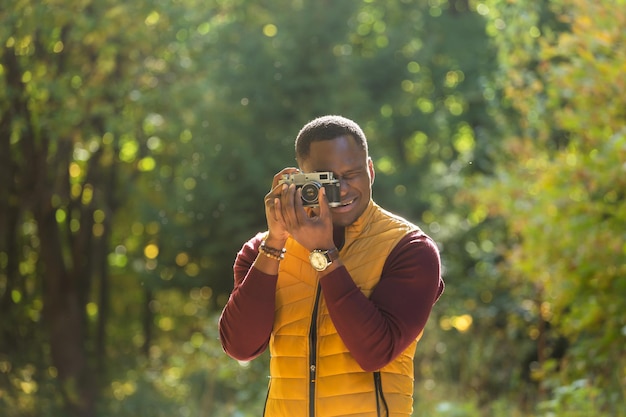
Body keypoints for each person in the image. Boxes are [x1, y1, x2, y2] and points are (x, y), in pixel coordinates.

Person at [219, 115, 444, 417]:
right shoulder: (265, 250)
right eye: (326, 179)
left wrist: (323, 253)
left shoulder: (409, 249)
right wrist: (274, 243)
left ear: (371, 171)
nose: (342, 189)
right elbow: (240, 346)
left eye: (351, 174)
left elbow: (376, 352)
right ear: (301, 180)